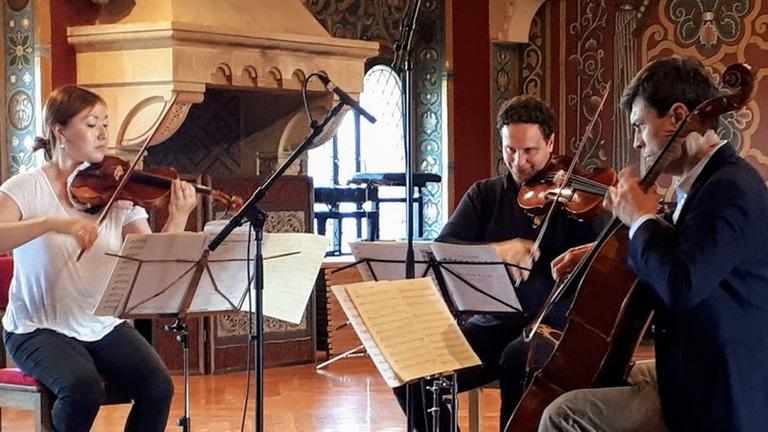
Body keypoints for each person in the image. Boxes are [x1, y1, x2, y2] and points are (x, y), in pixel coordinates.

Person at [540, 56, 768, 431]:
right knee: (602, 379)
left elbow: (682, 284)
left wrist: (641, 219)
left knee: (564, 415)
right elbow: (685, 252)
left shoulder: (729, 187)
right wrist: (603, 256)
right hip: (699, 360)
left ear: (678, 117)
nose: (636, 142)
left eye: (639, 127)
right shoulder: (709, 181)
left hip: (720, 386)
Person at [393, 95, 603, 431]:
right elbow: (444, 248)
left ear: (550, 142)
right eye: (510, 150)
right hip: (494, 324)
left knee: (519, 358)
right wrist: (500, 249)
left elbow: (609, 254)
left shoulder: (579, 200)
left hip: (554, 328)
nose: (518, 162)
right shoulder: (485, 195)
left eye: (529, 151)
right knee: (410, 365)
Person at [0, 85, 198, 432]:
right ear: (59, 132)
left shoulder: (118, 191)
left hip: (100, 324)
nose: (104, 133)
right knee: (82, 387)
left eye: (106, 122)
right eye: (91, 124)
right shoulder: (25, 187)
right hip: (36, 328)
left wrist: (178, 217)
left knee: (157, 387)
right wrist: (53, 223)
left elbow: (149, 257)